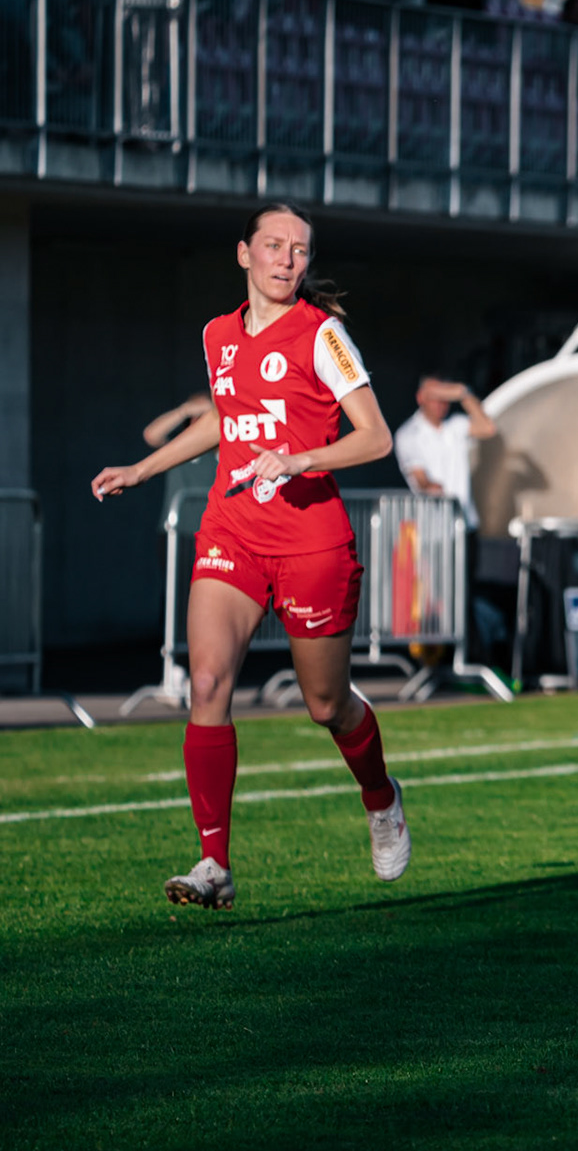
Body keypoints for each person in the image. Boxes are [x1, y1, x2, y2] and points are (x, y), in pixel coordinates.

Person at [89, 203, 405, 910]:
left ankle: (380, 797)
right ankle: (213, 863)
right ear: (244, 254)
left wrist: (300, 458)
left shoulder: (325, 336)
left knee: (327, 706)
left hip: (313, 542)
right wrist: (142, 469)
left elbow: (376, 438)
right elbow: (224, 420)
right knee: (206, 683)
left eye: (299, 249)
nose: (288, 259)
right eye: (274, 246)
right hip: (233, 530)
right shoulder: (217, 335)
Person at [393, 372, 496, 528]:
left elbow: (487, 428)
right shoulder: (408, 434)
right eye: (435, 397)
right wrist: (430, 487)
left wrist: (463, 393)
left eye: (445, 397)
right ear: (421, 397)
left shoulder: (455, 425)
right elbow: (420, 479)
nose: (441, 403)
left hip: (465, 522)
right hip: (431, 527)